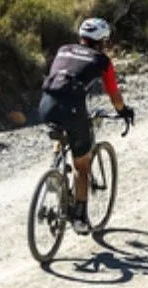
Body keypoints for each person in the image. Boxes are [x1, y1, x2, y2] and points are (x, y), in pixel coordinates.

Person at [38, 17, 134, 230]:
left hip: (46, 103)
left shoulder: (64, 49)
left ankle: (54, 166)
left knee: (62, 130)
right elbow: (114, 95)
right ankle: (80, 217)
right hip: (72, 108)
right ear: (102, 41)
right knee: (82, 164)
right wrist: (124, 111)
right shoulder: (102, 60)